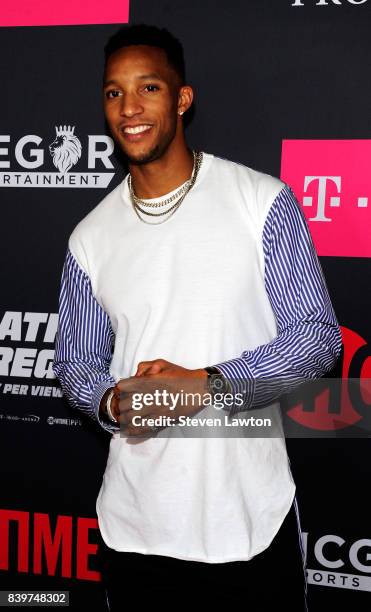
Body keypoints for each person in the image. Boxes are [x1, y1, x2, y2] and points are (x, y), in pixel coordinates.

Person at [52, 24, 342, 610]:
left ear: (181, 99)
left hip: (245, 521)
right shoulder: (90, 236)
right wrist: (115, 403)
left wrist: (207, 385)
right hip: (133, 526)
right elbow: (77, 368)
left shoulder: (260, 201)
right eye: (114, 93)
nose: (130, 108)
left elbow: (317, 338)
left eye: (148, 87)